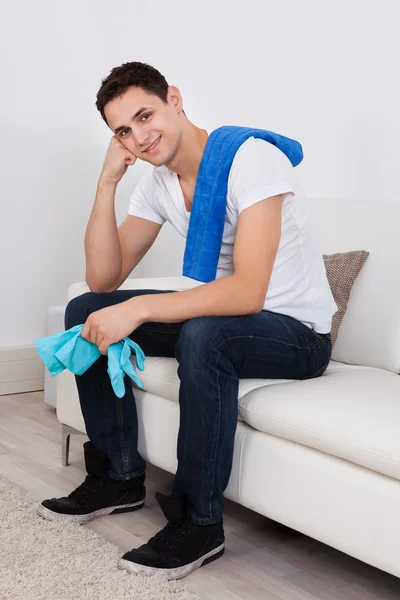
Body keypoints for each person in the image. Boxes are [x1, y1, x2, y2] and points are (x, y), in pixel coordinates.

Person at [38, 61, 337, 580]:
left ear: (174, 99)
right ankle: (119, 477)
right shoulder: (157, 183)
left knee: (204, 336)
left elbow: (247, 291)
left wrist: (141, 308)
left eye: (145, 114)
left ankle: (200, 523)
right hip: (235, 323)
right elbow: (103, 278)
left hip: (297, 335)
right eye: (123, 131)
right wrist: (107, 182)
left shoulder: (252, 159)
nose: (140, 135)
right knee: (85, 310)